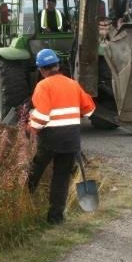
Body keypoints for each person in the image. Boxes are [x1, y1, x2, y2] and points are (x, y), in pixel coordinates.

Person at [27, 48, 95, 224]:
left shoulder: (43, 85)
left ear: (41, 70)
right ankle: (55, 218)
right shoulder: (73, 84)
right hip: (71, 140)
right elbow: (90, 109)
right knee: (61, 178)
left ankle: (22, 199)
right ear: (57, 65)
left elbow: (41, 117)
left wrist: (31, 127)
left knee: (35, 170)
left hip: (50, 139)